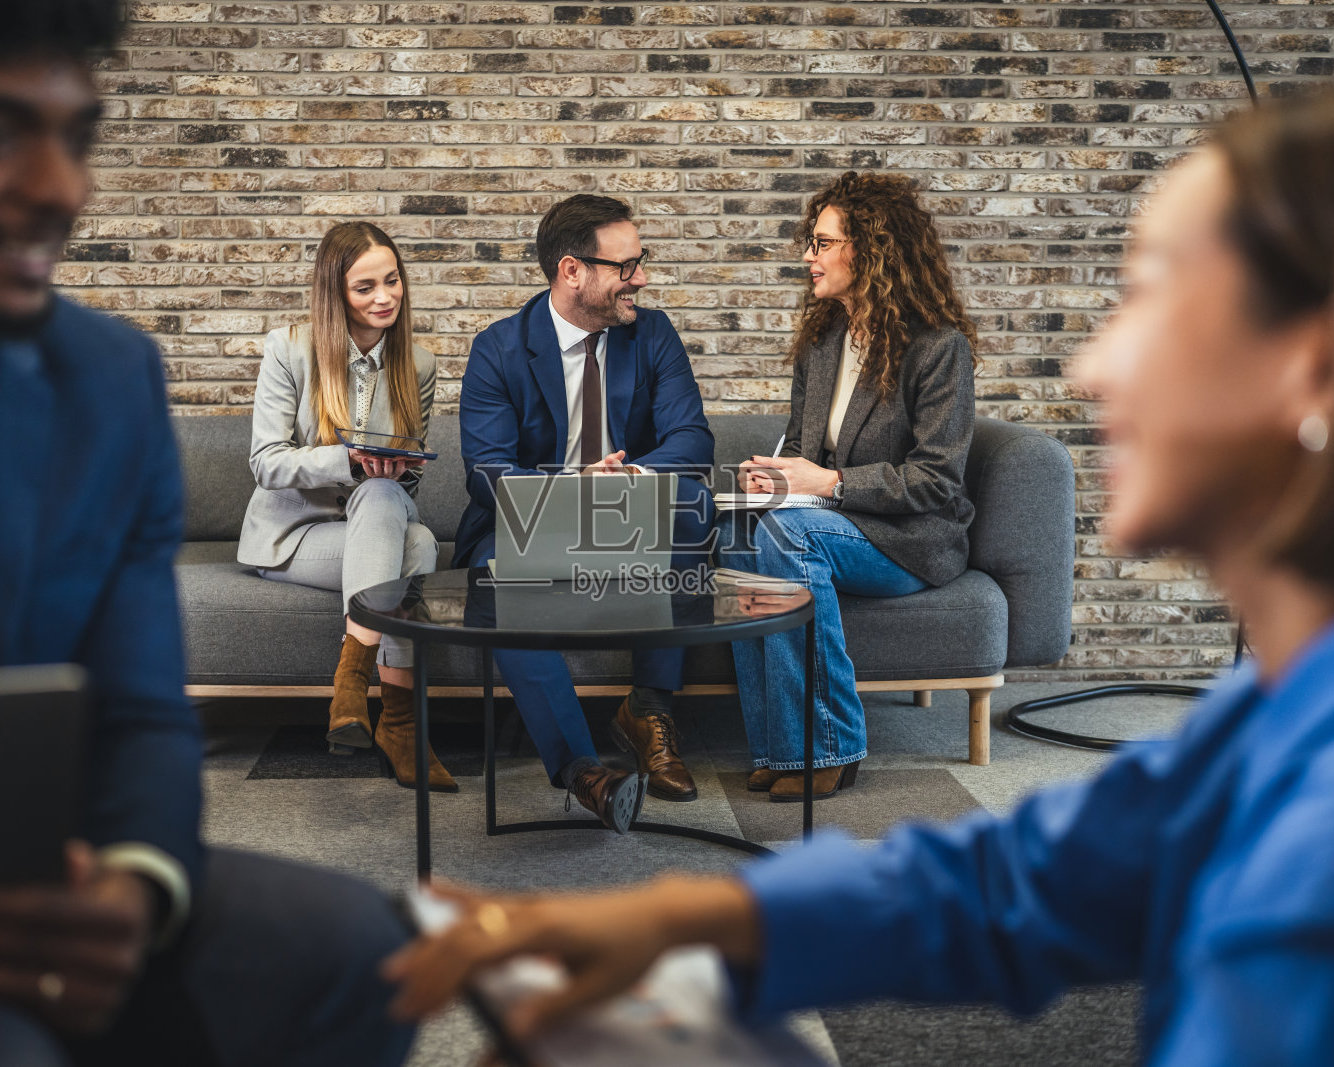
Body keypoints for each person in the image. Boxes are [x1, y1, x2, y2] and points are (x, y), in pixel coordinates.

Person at [383, 83, 1334, 1063]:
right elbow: (1012, 883)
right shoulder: (1275, 716)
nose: (1092, 367)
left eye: (1154, 297)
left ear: (1318, 366)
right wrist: (684, 920)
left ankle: (795, 739)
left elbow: (911, 477)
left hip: (893, 534)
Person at [0, 2, 411, 1063]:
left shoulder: (104, 380)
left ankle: (371, 678)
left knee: (362, 952)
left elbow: (144, 711)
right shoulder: (291, 348)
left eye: (77, 136)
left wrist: (133, 885)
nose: (60, 189)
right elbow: (271, 460)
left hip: (15, 862)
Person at [455, 194, 716, 833]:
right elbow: (486, 473)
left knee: (691, 509)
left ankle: (648, 711)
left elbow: (692, 440)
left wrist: (631, 481)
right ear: (572, 271)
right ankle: (585, 772)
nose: (641, 279)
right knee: (499, 575)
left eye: (641, 261)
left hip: (630, 513)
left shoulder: (651, 335)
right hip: (535, 520)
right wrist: (575, 487)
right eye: (625, 266)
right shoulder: (499, 349)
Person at [720, 171, 977, 801]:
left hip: (908, 538)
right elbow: (803, 450)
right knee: (736, 534)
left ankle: (829, 745)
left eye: (824, 243)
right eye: (811, 242)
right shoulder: (824, 341)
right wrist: (775, 477)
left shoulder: (938, 348)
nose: (809, 256)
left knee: (791, 534)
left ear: (872, 250)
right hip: (834, 522)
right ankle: (780, 745)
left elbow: (936, 479)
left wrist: (829, 482)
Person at [239, 221, 451, 789]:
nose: (385, 297)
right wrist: (349, 461)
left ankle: (359, 695)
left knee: (404, 521)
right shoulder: (289, 349)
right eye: (365, 287)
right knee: (417, 547)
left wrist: (395, 472)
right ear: (336, 293)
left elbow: (406, 489)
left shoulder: (419, 365)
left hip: (373, 524)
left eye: (392, 281)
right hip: (295, 535)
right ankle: (397, 721)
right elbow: (267, 462)